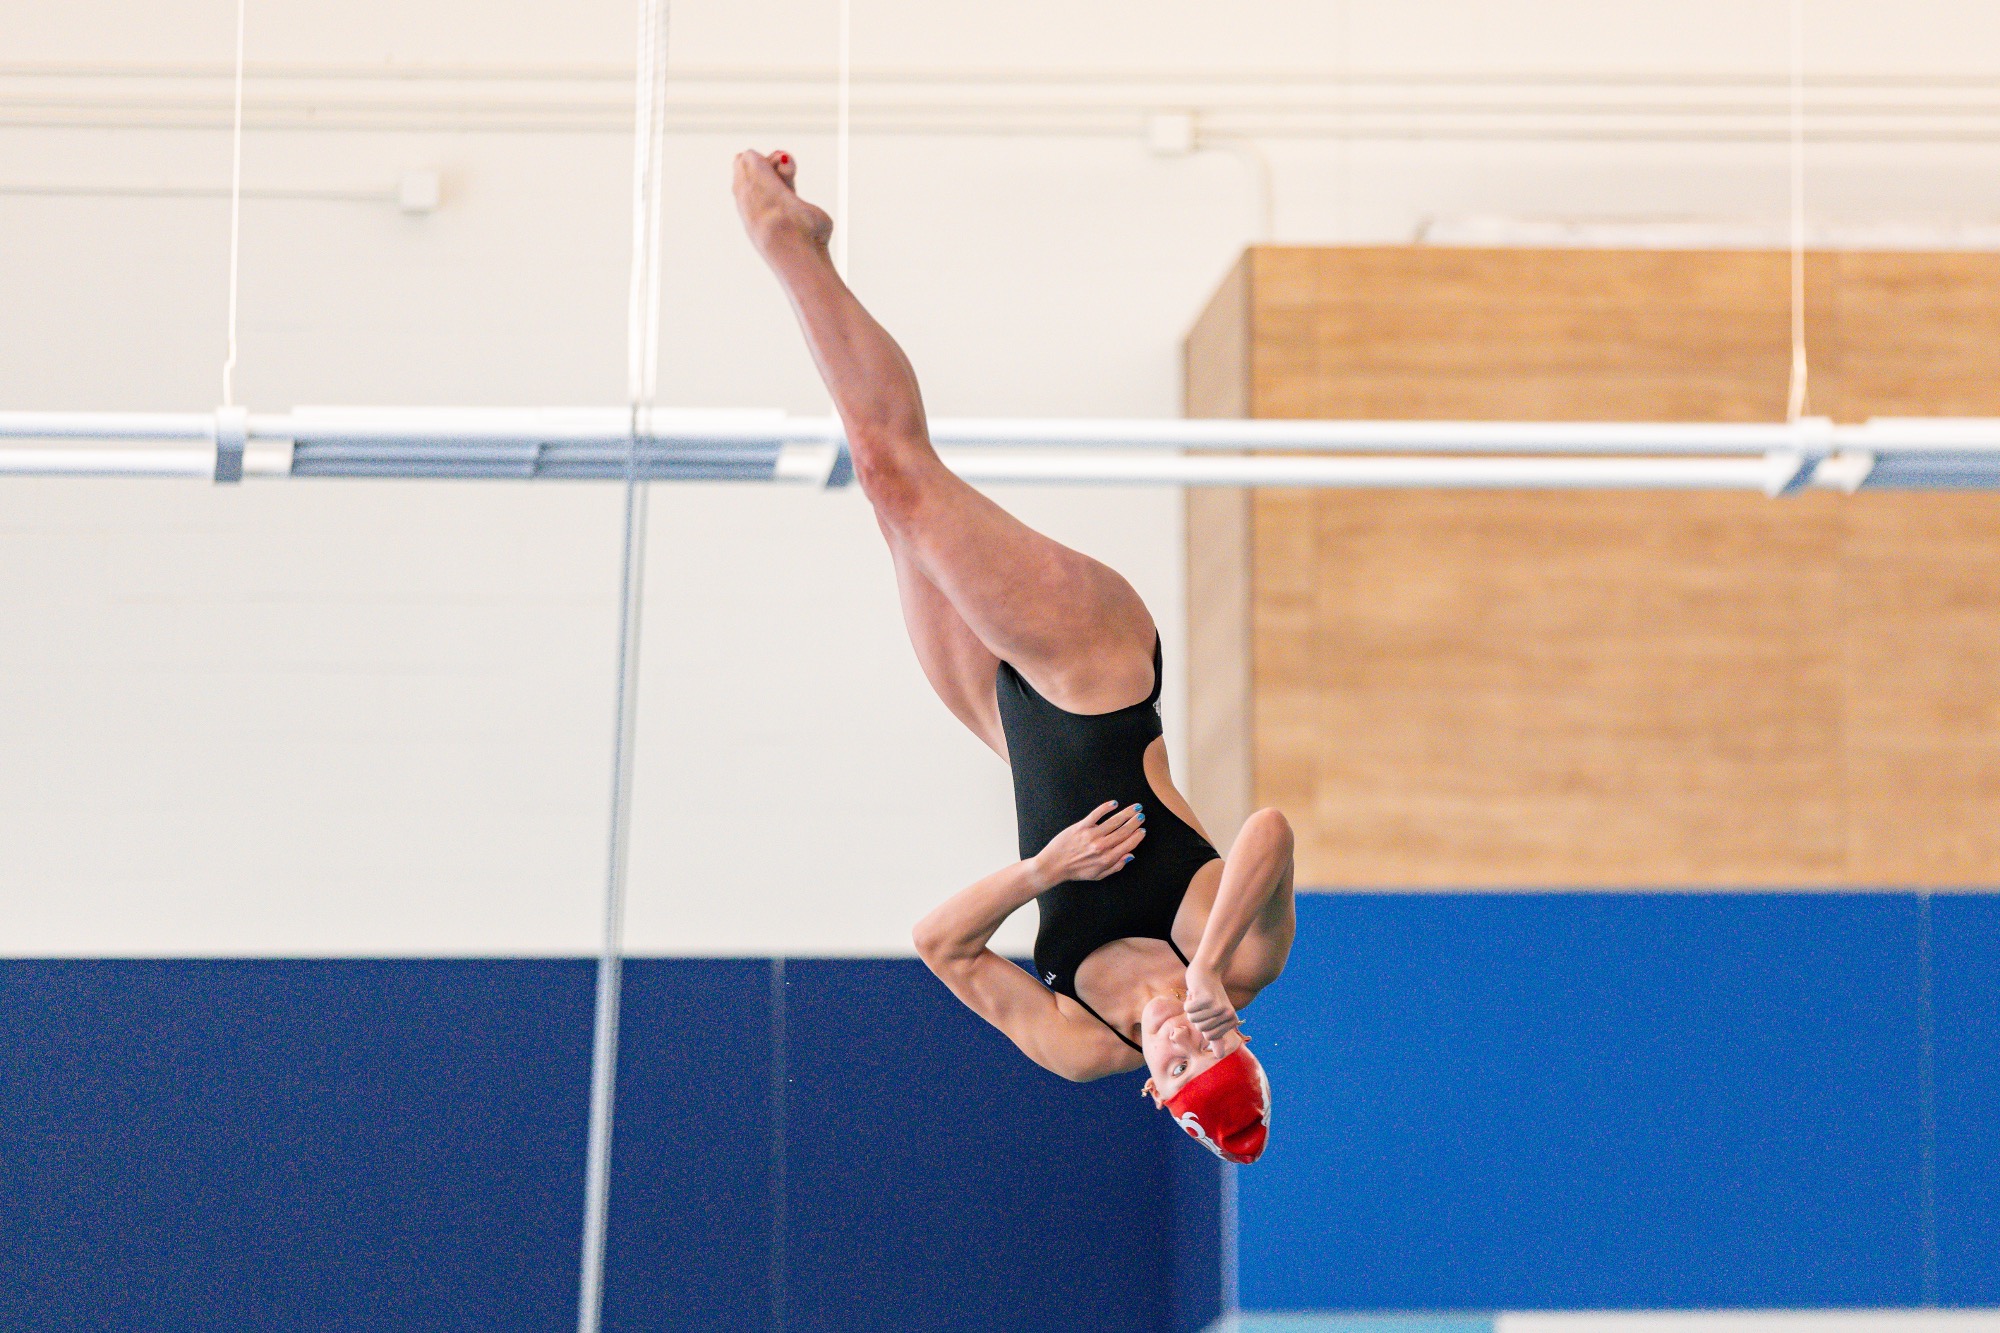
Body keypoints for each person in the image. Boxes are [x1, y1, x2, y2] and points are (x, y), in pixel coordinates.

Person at [733, 150, 1295, 1163]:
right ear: (1235, 1040)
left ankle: (804, 248)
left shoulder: (1084, 1044)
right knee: (897, 471)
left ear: (1158, 1091)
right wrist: (1205, 966)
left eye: (1171, 1071)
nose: (1172, 1043)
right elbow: (1269, 829)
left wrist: (1042, 869)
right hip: (1096, 671)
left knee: (882, 486)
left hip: (1004, 721)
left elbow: (939, 944)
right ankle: (786, 244)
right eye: (1201, 1050)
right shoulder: (1244, 955)